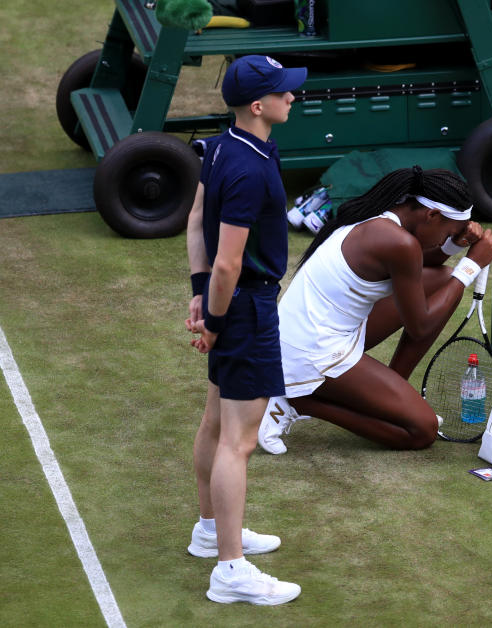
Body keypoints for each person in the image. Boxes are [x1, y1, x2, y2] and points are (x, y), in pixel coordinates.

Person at [257, 166, 492, 453]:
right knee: (422, 431)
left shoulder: (383, 217)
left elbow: (421, 263)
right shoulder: (400, 243)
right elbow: (419, 326)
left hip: (309, 332)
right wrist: (470, 267)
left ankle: (391, 396)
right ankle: (298, 401)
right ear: (432, 215)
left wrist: (453, 245)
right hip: (311, 351)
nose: (449, 236)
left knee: (442, 279)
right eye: (450, 230)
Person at [184, 55, 305, 606]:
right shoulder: (250, 169)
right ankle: (231, 569)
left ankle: (212, 532)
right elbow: (230, 263)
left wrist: (197, 292)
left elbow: (195, 222)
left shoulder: (224, 146)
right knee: (240, 439)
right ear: (259, 106)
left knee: (216, 418)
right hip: (246, 308)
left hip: (227, 303)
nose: (293, 98)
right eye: (285, 93)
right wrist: (214, 318)